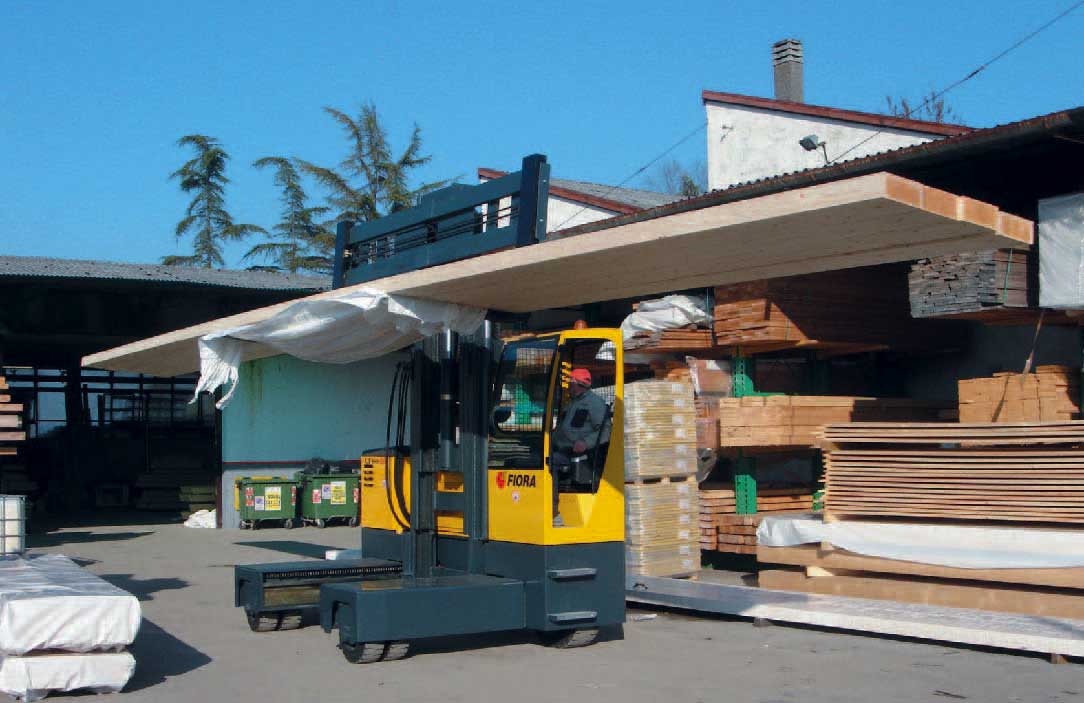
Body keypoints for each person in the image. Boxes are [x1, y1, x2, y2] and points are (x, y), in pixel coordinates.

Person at [550, 368, 610, 526]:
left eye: (571, 383)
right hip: (561, 447)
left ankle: (552, 511)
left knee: (550, 462)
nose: (568, 386)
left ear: (579, 384)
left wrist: (586, 443)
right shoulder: (573, 403)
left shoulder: (594, 403)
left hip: (579, 454)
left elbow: (606, 430)